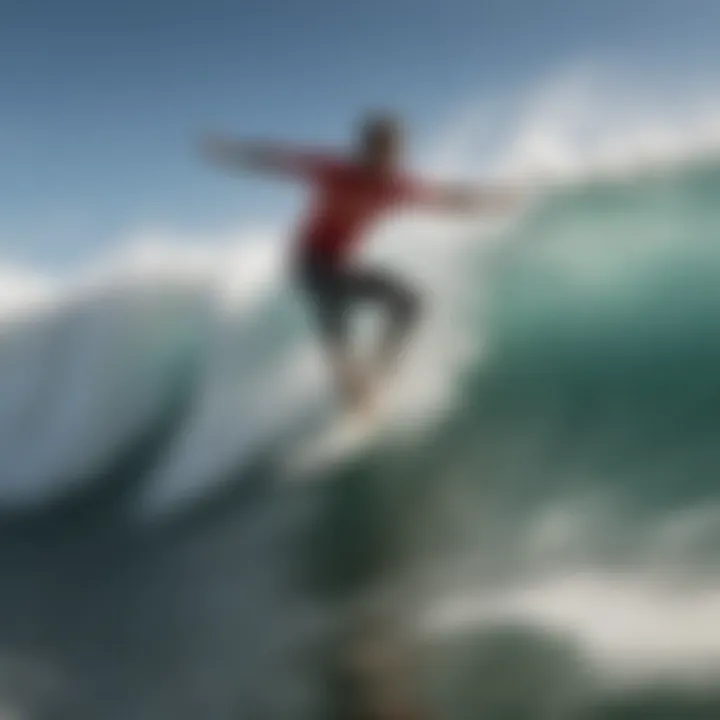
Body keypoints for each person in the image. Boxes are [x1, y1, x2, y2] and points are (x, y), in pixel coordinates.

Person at [203, 113, 520, 414]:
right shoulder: (335, 170)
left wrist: (491, 201)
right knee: (337, 327)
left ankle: (380, 370)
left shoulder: (396, 185)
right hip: (310, 262)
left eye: (394, 151)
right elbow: (278, 159)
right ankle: (354, 392)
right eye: (381, 150)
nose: (388, 158)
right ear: (366, 149)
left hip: (342, 263)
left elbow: (445, 198)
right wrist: (230, 151)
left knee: (411, 303)